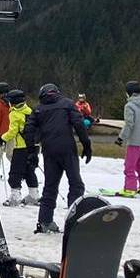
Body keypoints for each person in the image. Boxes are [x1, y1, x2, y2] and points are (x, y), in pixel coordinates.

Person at [24, 83, 92, 233]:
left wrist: (32, 152)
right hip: (67, 148)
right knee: (75, 184)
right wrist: (86, 144)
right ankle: (75, 222)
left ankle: (44, 221)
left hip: (49, 150)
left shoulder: (39, 109)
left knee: (50, 186)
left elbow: (28, 130)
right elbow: (79, 124)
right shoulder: (67, 104)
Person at [115, 81, 140, 197]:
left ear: (129, 93)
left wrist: (121, 138)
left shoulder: (129, 106)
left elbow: (129, 124)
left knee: (129, 166)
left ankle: (130, 188)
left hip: (135, 141)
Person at [1, 89, 39, 206]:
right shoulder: (30, 111)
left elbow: (12, 132)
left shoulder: (14, 114)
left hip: (21, 148)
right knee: (29, 171)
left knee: (15, 172)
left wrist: (2, 138)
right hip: (34, 147)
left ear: (13, 102)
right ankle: (34, 196)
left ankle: (15, 197)